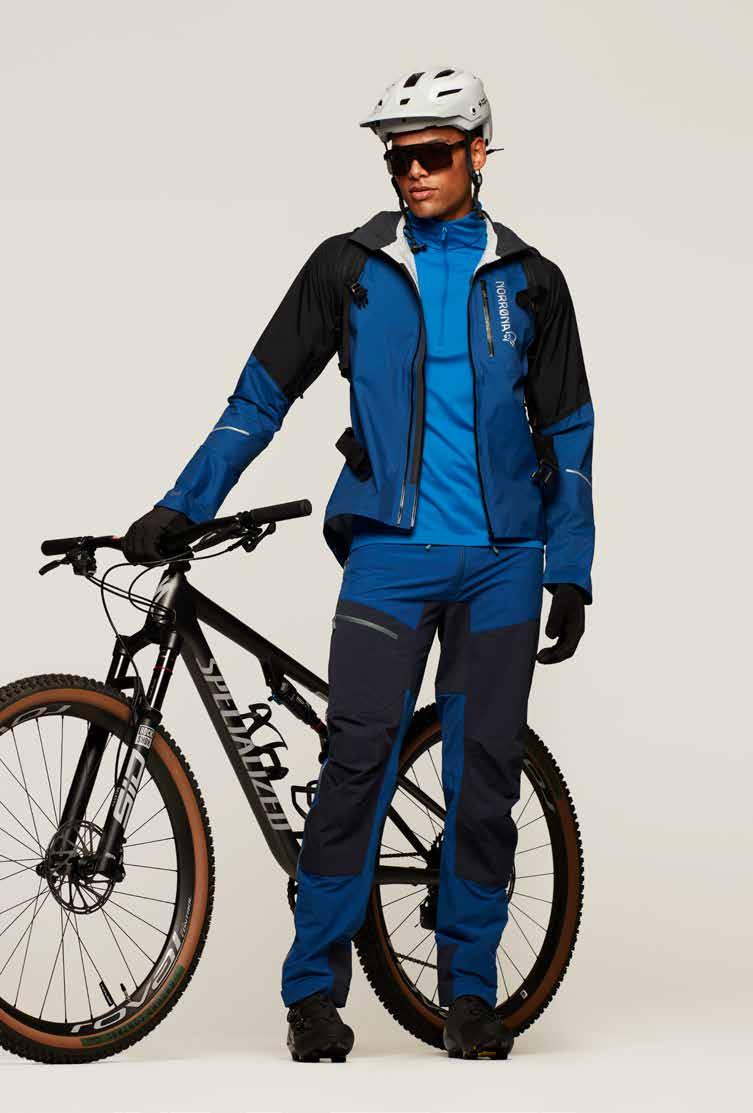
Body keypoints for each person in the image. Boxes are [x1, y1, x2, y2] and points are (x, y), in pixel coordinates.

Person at [123, 66, 595, 1062]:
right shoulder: (348, 267)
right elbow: (259, 398)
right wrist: (182, 502)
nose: (412, 171)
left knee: (483, 777)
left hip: (504, 563)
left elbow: (571, 432)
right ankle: (312, 995)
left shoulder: (532, 280)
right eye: (397, 156)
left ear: (477, 153)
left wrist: (571, 565)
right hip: (388, 556)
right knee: (354, 765)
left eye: (432, 153)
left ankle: (470, 993)